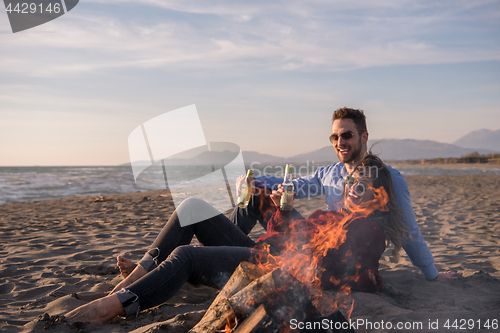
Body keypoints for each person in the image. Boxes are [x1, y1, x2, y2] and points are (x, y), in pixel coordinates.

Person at [65, 154, 404, 324]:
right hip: (270, 254)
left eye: (361, 186)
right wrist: (278, 209)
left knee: (187, 256)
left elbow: (346, 270)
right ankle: (138, 278)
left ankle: (113, 306)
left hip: (272, 269)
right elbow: (298, 239)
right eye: (350, 184)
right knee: (191, 208)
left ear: (379, 194)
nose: (351, 191)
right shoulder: (340, 218)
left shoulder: (367, 229)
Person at [234, 107, 456, 282]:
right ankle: (228, 250)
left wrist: (432, 274)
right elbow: (295, 186)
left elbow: (408, 230)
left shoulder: (388, 179)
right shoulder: (330, 173)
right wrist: (256, 182)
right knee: (255, 197)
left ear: (364, 136)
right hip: (317, 238)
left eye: (347, 135)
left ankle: (229, 256)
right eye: (334, 137)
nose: (340, 143)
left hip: (341, 259)